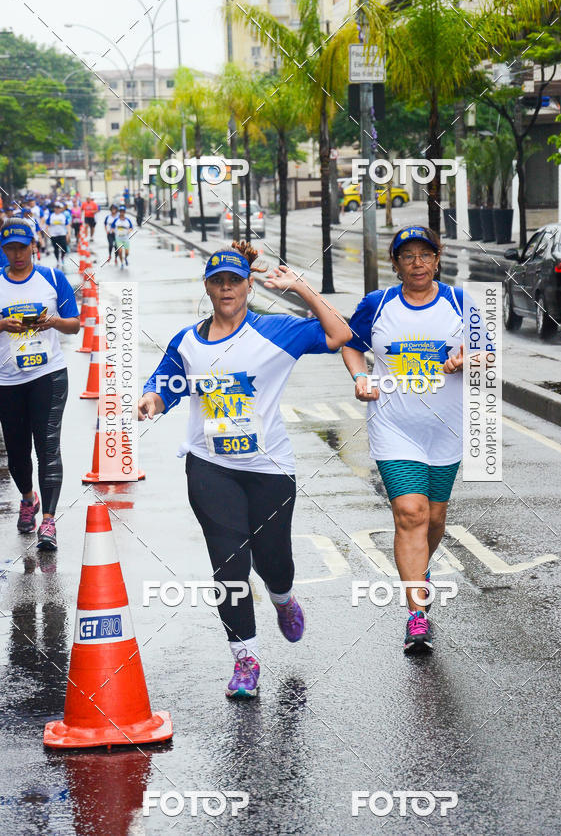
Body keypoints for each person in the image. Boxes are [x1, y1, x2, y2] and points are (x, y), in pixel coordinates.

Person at [138, 242, 350, 699]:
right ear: (208, 288)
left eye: (235, 280)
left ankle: (282, 599)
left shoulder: (277, 331)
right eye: (219, 281)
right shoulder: (187, 341)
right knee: (229, 565)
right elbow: (164, 382)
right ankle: (245, 659)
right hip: (211, 467)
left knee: (274, 561)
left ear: (248, 286)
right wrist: (152, 400)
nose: (227, 288)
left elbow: (337, 336)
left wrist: (302, 289)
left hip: (269, 469)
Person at [342, 225, 476, 654]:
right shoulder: (376, 304)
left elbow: (488, 350)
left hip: (445, 429)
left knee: (434, 520)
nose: (417, 263)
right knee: (410, 512)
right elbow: (349, 344)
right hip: (394, 426)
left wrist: (467, 357)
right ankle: (416, 617)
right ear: (395, 263)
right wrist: (361, 375)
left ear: (438, 259)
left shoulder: (459, 302)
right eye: (407, 255)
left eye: (425, 254)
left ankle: (422, 570)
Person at [0, 218, 80, 550]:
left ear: (33, 246)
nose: (17, 255)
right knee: (17, 452)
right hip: (7, 380)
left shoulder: (51, 278)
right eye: (10, 248)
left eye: (22, 247)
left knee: (47, 446)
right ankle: (27, 498)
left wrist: (52, 323)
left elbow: (74, 325)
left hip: (48, 376)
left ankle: (48, 520)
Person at [46, 203, 71, 268]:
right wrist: (47, 233)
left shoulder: (63, 216)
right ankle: (57, 260)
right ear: (54, 209)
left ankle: (62, 258)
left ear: (60, 209)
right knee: (56, 249)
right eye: (56, 208)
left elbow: (67, 225)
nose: (57, 209)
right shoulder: (51, 216)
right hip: (54, 235)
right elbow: (47, 225)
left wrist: (68, 233)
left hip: (62, 234)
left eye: (58, 208)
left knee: (64, 248)